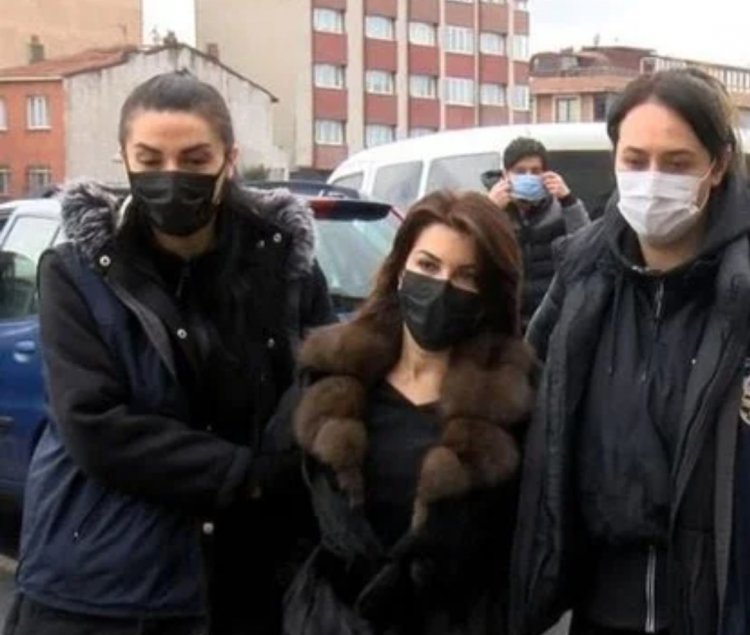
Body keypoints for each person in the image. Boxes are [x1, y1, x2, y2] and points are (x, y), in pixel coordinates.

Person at [3, 71, 321, 635]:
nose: (171, 177)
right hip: (103, 588)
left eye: (195, 159)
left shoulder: (285, 270)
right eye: (149, 160)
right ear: (124, 158)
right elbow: (93, 422)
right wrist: (247, 476)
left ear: (229, 159)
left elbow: (319, 385)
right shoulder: (77, 273)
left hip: (246, 582)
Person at [511, 68, 750, 635]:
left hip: (716, 610)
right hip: (596, 610)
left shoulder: (740, 292)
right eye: (635, 160)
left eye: (677, 163)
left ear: (717, 166)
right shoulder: (582, 278)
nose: (652, 180)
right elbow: (521, 395)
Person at [271, 189, 537, 634]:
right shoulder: (328, 377)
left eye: (466, 276)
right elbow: (277, 509)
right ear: (399, 270)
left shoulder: (517, 403)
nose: (442, 287)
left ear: (489, 293)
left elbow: (525, 549)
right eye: (428, 266)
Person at [486, 137, 590, 328]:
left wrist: (568, 200)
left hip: (550, 316)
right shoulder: (492, 207)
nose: (528, 176)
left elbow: (587, 246)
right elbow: (471, 247)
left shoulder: (560, 208)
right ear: (505, 174)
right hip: (505, 318)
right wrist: (488, 209)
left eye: (535, 171)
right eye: (520, 171)